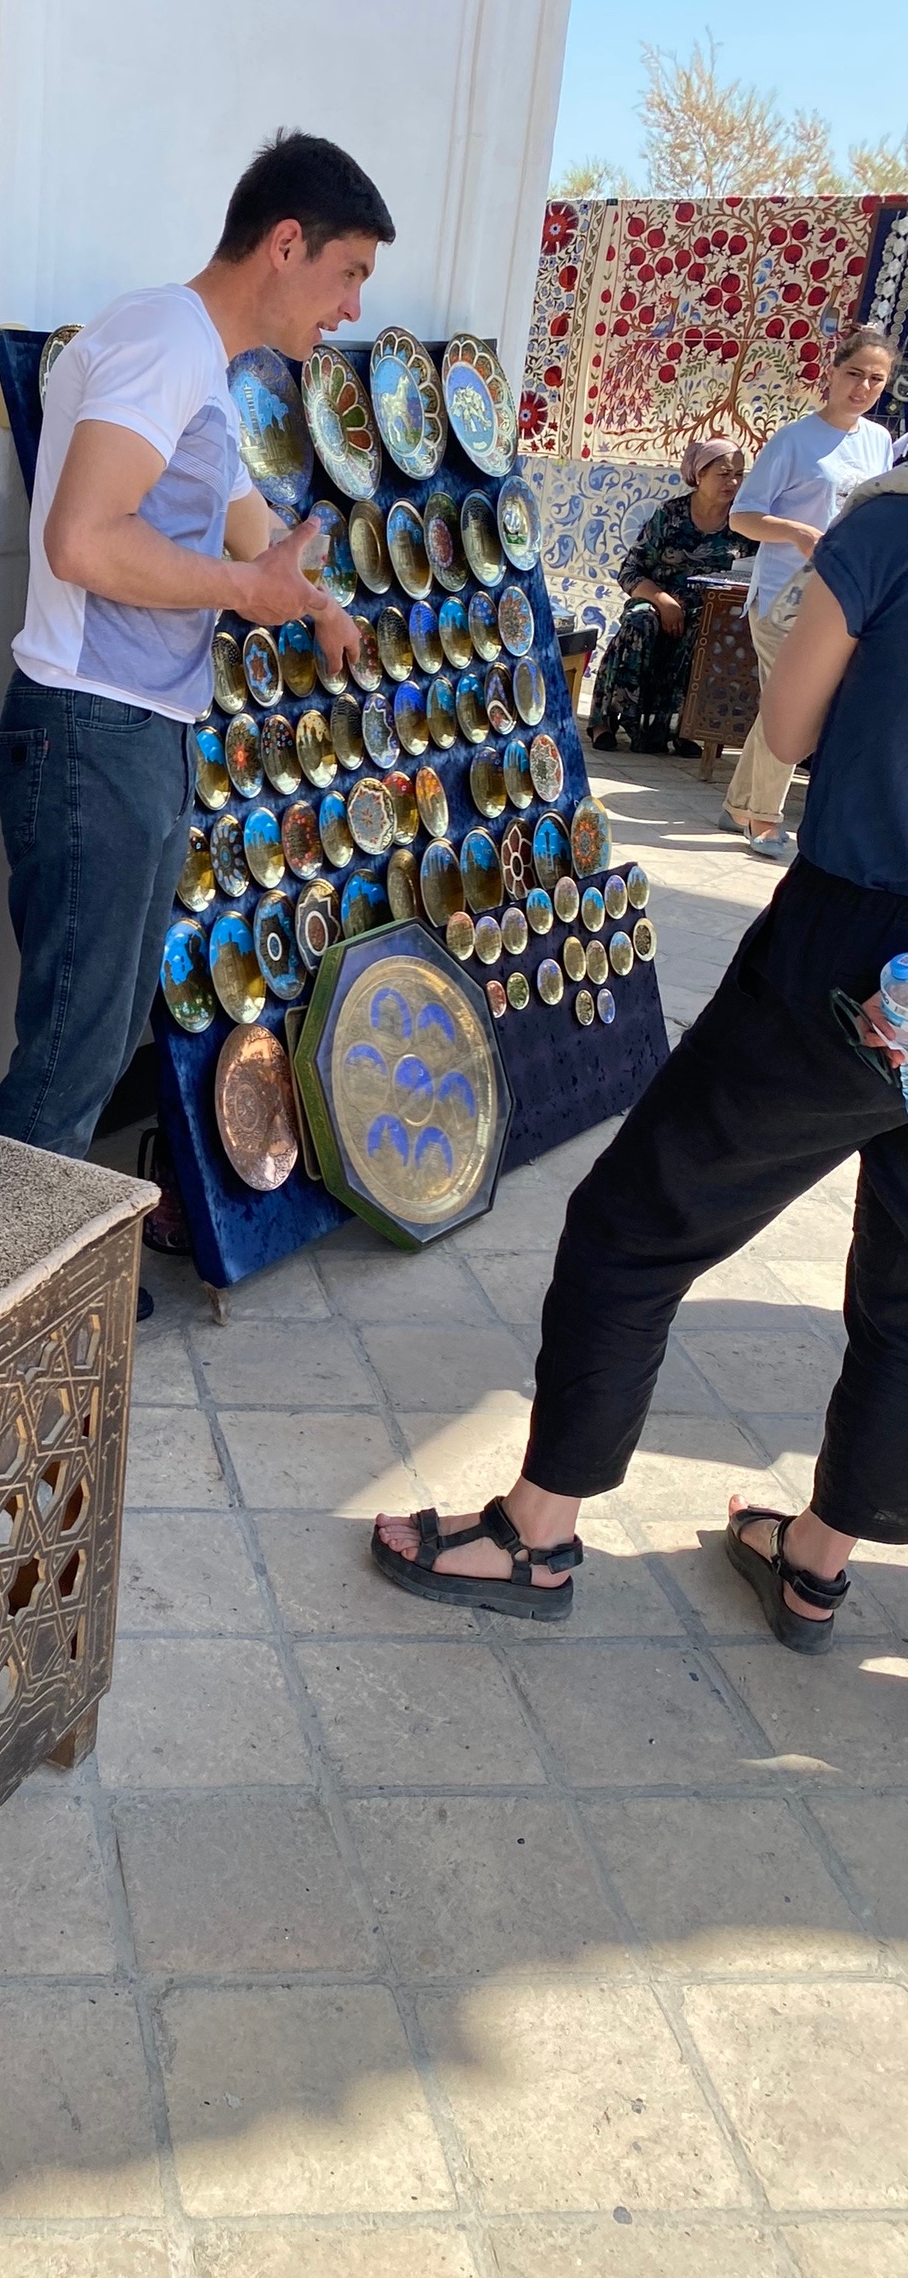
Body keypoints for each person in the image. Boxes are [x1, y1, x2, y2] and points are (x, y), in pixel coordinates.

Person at [369, 460, 908, 1651]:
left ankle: (538, 1530)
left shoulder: (886, 533)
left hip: (863, 935)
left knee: (633, 1224)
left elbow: (788, 724)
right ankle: (818, 1562)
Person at [0, 129, 393, 1162]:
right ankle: (16, 1308)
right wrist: (244, 591)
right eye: (348, 272)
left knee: (113, 1029)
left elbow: (247, 526)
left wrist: (318, 604)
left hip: (139, 732)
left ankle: (57, 1279)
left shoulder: (203, 369)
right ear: (287, 243)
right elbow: (83, 539)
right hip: (91, 725)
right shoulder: (164, 340)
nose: (352, 306)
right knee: (73, 1049)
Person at [722, 324, 897, 858]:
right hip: (784, 596)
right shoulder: (793, 440)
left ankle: (740, 803)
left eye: (876, 379)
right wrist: (797, 532)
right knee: (802, 698)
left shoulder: (879, 441)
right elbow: (743, 517)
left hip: (839, 597)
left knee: (790, 698)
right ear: (831, 372)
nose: (863, 387)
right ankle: (763, 819)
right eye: (854, 374)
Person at [587, 437, 743, 754]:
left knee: (710, 632)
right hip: (657, 600)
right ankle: (606, 721)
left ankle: (684, 727)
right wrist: (665, 602)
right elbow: (631, 571)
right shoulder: (669, 515)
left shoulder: (742, 522)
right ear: (700, 475)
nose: (733, 482)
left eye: (739, 474)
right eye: (724, 474)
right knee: (639, 624)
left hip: (708, 609)